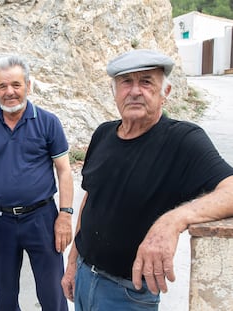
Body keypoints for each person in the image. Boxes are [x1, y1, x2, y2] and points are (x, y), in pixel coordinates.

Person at [61, 49, 233, 311]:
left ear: (166, 92)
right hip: (85, 275)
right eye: (126, 82)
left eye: (146, 81)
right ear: (114, 92)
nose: (135, 91)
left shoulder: (182, 140)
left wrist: (173, 220)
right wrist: (73, 262)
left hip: (128, 295)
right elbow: (91, 198)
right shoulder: (103, 134)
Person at [0, 55, 74, 311]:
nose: (9, 92)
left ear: (28, 85)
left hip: (42, 219)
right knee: (4, 298)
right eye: (2, 86)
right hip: (1, 221)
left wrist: (65, 216)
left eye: (16, 84)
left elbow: (64, 171)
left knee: (53, 294)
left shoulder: (48, 122)